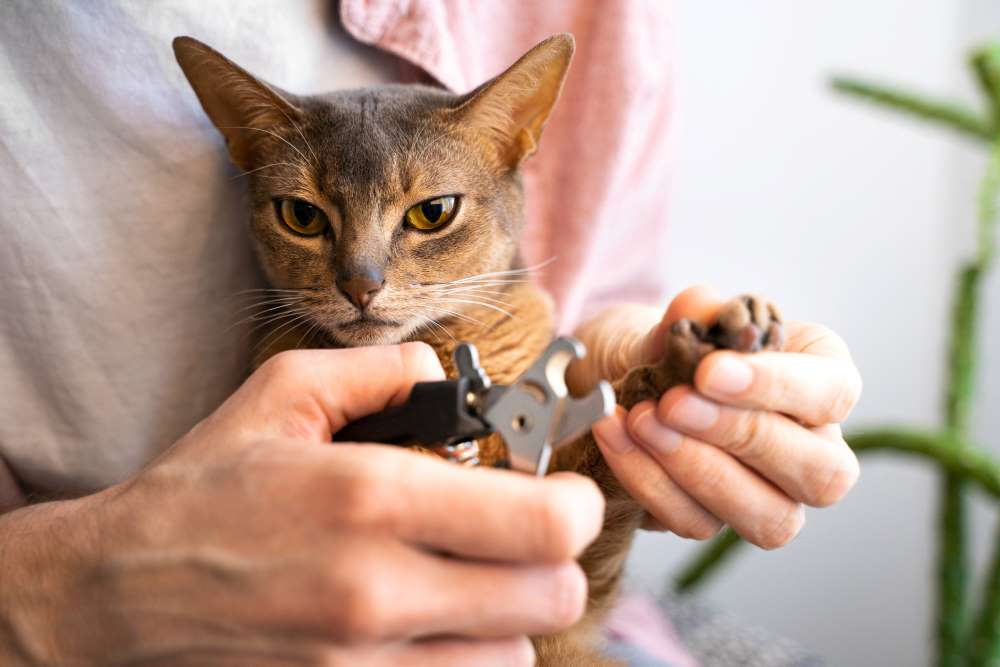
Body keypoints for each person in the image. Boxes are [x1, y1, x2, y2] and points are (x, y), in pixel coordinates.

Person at [0, 1, 861, 664]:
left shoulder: (613, 27)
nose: (362, 280)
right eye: (305, 215)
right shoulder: (282, 379)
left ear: (516, 144)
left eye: (432, 212)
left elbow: (568, 582)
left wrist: (647, 384)